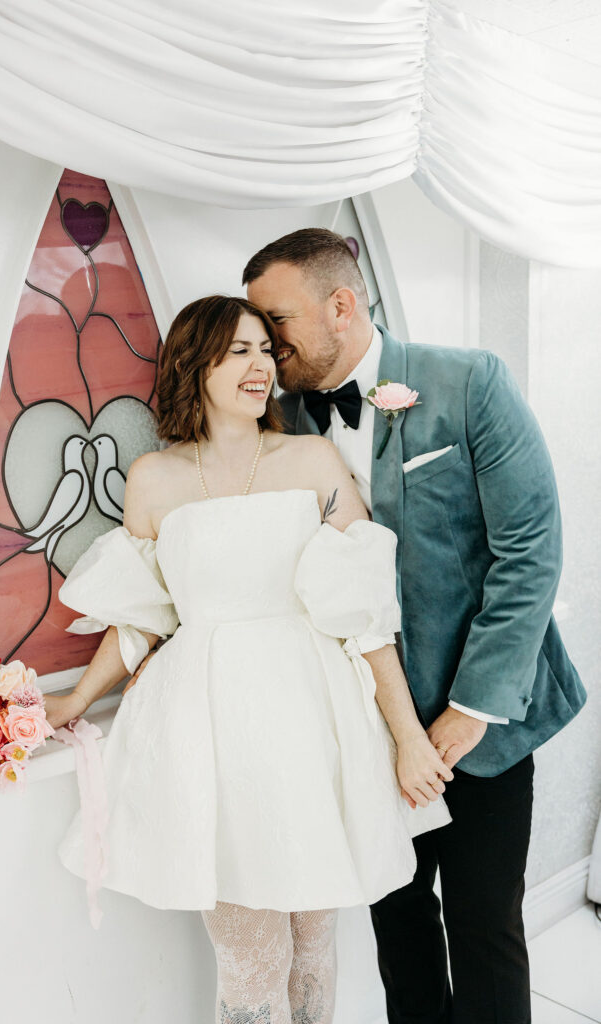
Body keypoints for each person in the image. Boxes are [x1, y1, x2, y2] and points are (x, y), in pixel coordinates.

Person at [44, 294, 452, 1024]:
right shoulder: (154, 478)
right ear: (192, 363)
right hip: (208, 725)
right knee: (249, 962)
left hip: (312, 715)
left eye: (266, 349)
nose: (259, 364)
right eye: (237, 350)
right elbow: (142, 615)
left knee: (312, 942)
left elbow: (364, 614)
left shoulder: (311, 458)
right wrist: (74, 700)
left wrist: (406, 738)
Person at [242, 228, 587, 1024]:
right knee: (395, 924)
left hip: (482, 722)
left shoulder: (468, 381)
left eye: (276, 320)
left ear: (340, 304)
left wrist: (469, 710)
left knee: (483, 926)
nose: (266, 344)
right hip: (363, 725)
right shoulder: (280, 425)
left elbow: (529, 553)